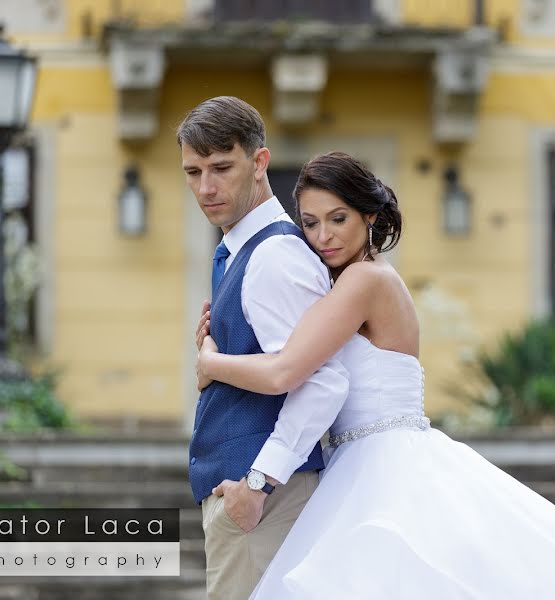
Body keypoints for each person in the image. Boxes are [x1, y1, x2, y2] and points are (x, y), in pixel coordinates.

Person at [195, 151, 555, 599]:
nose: (323, 237)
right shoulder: (359, 279)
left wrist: (211, 363)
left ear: (371, 218)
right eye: (311, 223)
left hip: (380, 465)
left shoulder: (364, 281)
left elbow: (288, 367)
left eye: (338, 219)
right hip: (367, 458)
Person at [179, 96, 350, 600]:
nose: (206, 187)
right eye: (193, 171)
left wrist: (256, 486)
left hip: (263, 501)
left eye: (220, 167)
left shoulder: (274, 256)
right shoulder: (234, 250)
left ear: (259, 163)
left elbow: (322, 381)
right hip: (251, 500)